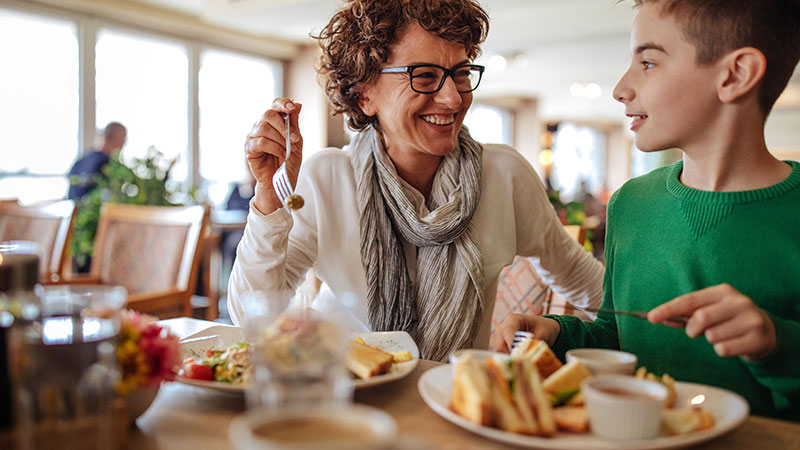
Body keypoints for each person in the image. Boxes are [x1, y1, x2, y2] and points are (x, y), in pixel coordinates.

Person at [228, 0, 603, 361]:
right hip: (346, 396)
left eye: (460, 73)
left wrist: (648, 331)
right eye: (424, 76)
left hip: (453, 400)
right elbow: (251, 317)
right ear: (364, 95)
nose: (453, 99)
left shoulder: (504, 175)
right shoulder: (327, 178)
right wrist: (268, 196)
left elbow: (590, 286)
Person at [492, 0, 800, 420]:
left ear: (735, 75)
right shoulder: (631, 204)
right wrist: (557, 335)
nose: (621, 87)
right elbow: (619, 340)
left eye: (649, 63)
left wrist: (776, 343)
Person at [67, 122, 127, 201]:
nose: (125, 141)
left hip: (75, 211)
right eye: (124, 137)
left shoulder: (84, 158)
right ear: (117, 137)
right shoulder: (106, 164)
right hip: (94, 211)